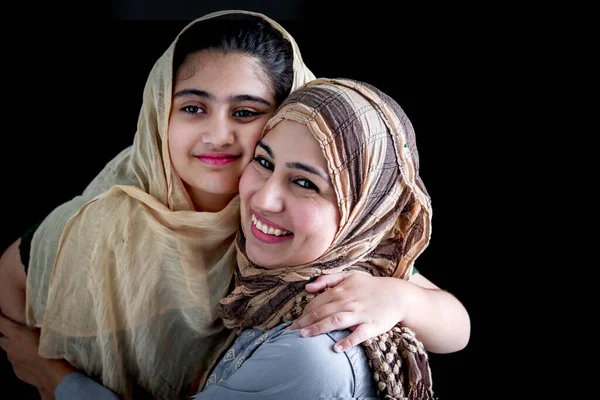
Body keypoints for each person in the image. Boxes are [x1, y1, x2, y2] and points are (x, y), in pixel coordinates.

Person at [2, 78, 471, 400]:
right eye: (264, 162)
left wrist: (54, 378)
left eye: (306, 183)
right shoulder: (339, 265)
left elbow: (459, 328)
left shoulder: (316, 343)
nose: (264, 199)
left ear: (366, 211)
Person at [0, 9, 315, 399]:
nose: (218, 135)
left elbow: (410, 292)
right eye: (193, 108)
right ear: (159, 114)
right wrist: (43, 367)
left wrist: (396, 300)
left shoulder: (305, 213)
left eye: (245, 112)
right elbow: (11, 275)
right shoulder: (112, 219)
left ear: (286, 119)